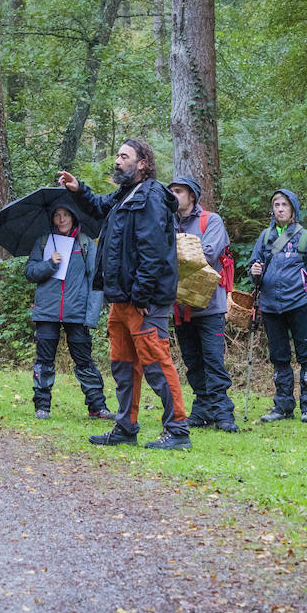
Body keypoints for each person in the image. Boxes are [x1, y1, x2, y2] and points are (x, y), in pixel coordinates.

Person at [59, 139, 191, 451]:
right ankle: (126, 426)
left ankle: (178, 431)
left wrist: (143, 297)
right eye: (117, 155)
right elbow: (99, 207)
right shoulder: (124, 194)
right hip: (119, 299)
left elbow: (153, 252)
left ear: (142, 163)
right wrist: (78, 190)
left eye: (124, 156)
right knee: (122, 363)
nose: (117, 161)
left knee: (156, 363)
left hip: (143, 301)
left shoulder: (152, 196)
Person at [22, 205, 113, 421]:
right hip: (47, 312)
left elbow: (95, 281)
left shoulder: (86, 243)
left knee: (84, 360)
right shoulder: (44, 242)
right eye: (57, 215)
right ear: (52, 218)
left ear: (74, 217)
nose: (62, 219)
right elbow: (29, 272)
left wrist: (91, 316)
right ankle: (42, 406)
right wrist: (49, 264)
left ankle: (97, 407)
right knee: (44, 361)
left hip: (77, 312)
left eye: (66, 215)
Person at [248, 189, 307, 423]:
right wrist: (255, 272)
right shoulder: (265, 237)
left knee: (306, 357)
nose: (280, 208)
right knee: (279, 358)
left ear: (293, 208)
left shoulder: (305, 238)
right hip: (271, 307)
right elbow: (255, 269)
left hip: (299, 306)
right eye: (276, 204)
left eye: (284, 204)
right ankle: (282, 406)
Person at [169, 176, 237, 433]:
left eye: (179, 191)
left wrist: (173, 254)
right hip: (180, 306)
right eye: (171, 191)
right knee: (192, 360)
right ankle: (202, 409)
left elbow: (207, 254)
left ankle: (223, 412)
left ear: (192, 196)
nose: (174, 195)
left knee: (213, 359)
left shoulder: (212, 221)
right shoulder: (167, 222)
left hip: (210, 306)